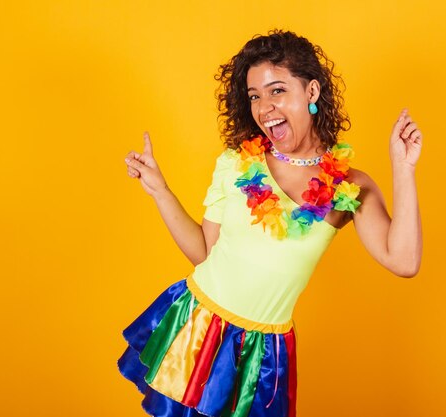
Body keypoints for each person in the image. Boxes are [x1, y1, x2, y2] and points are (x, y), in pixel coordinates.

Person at [119, 29, 423, 417]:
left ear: (311, 92)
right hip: (197, 327)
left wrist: (403, 168)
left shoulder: (347, 187)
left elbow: (404, 261)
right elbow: (205, 253)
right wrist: (161, 191)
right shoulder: (235, 164)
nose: (264, 108)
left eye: (277, 90)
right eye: (255, 96)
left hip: (265, 354)